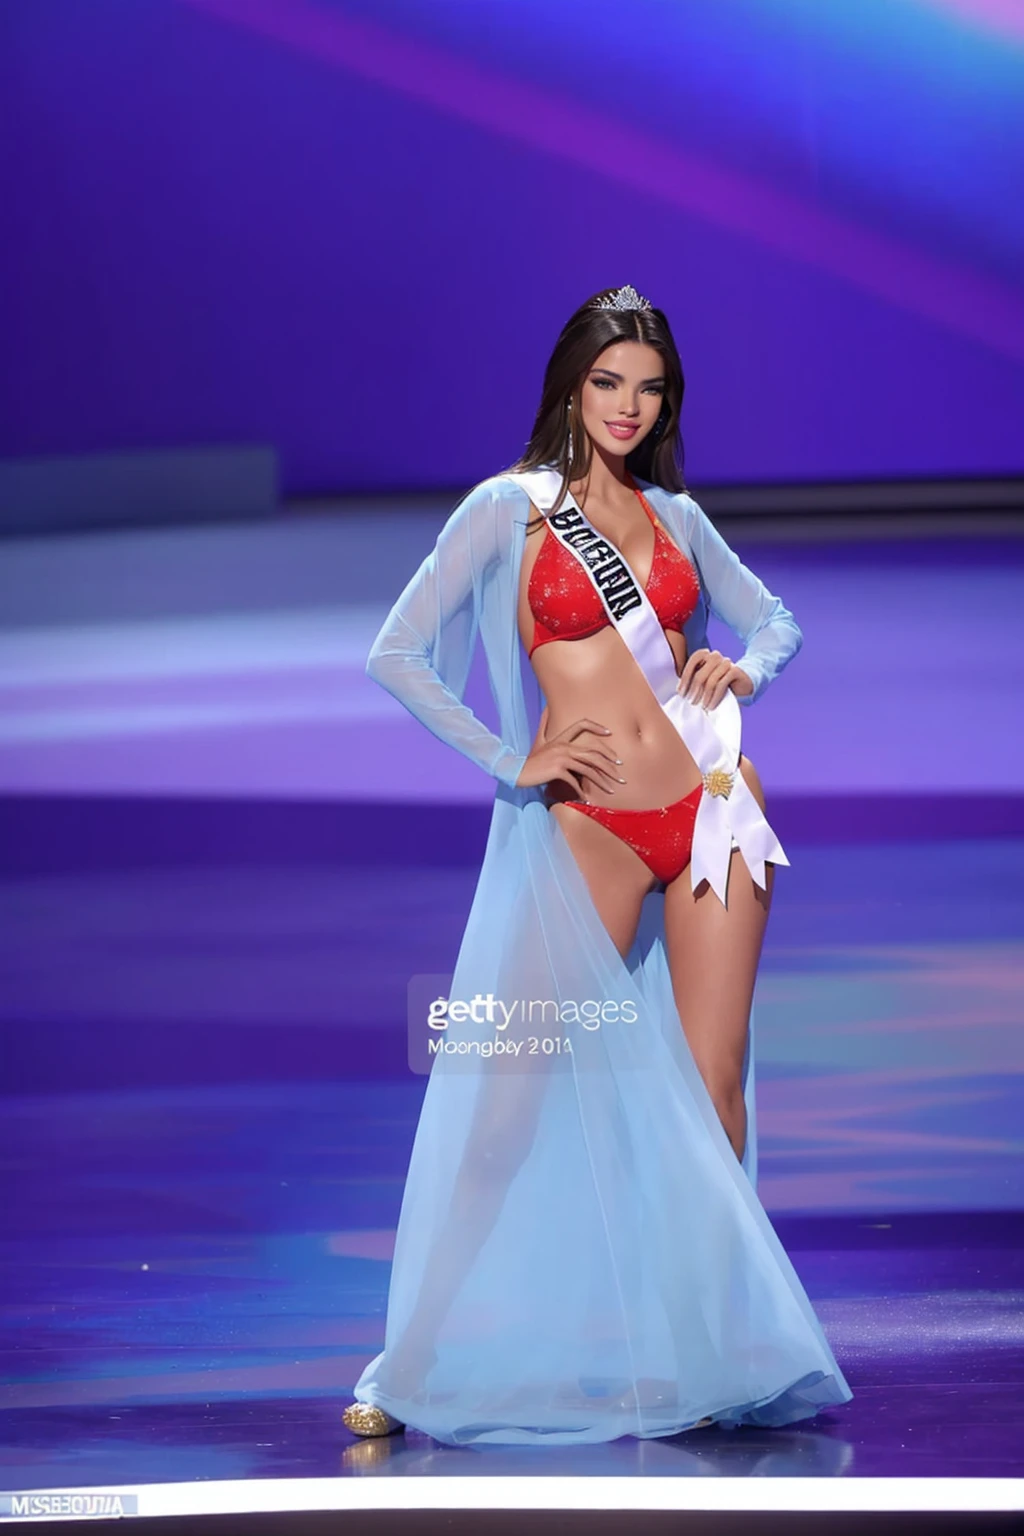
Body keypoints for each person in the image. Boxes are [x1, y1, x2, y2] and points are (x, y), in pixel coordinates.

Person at [342, 285, 852, 1447]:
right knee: (502, 1098)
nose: (627, 406)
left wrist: (747, 673)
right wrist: (507, 756)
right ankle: (407, 1362)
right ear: (571, 386)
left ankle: (718, 1354)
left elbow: (772, 622)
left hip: (713, 807)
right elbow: (397, 649)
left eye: (649, 387)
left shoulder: (676, 515)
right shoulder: (508, 510)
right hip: (590, 823)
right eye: (608, 382)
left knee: (713, 1089)